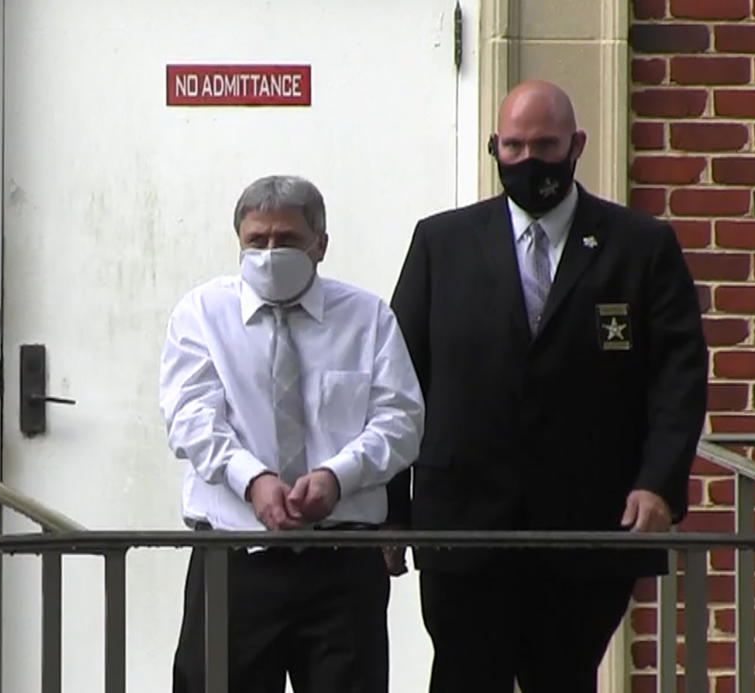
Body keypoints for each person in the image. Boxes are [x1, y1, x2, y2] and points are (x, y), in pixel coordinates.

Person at [388, 80, 708, 692]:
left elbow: (679, 377)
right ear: (494, 148)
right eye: (512, 146)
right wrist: (391, 511)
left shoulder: (640, 246)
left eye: (544, 144)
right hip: (462, 524)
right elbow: (401, 381)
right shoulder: (442, 243)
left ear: (576, 145)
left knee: (564, 677)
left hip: (587, 524)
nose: (528, 160)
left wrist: (659, 483)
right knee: (463, 676)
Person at [159, 174, 424, 693]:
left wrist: (337, 476)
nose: (270, 252)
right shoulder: (202, 314)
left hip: (342, 564)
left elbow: (401, 420)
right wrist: (252, 480)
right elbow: (190, 415)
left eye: (287, 240)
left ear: (320, 245)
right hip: (235, 562)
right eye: (257, 241)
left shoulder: (367, 318)